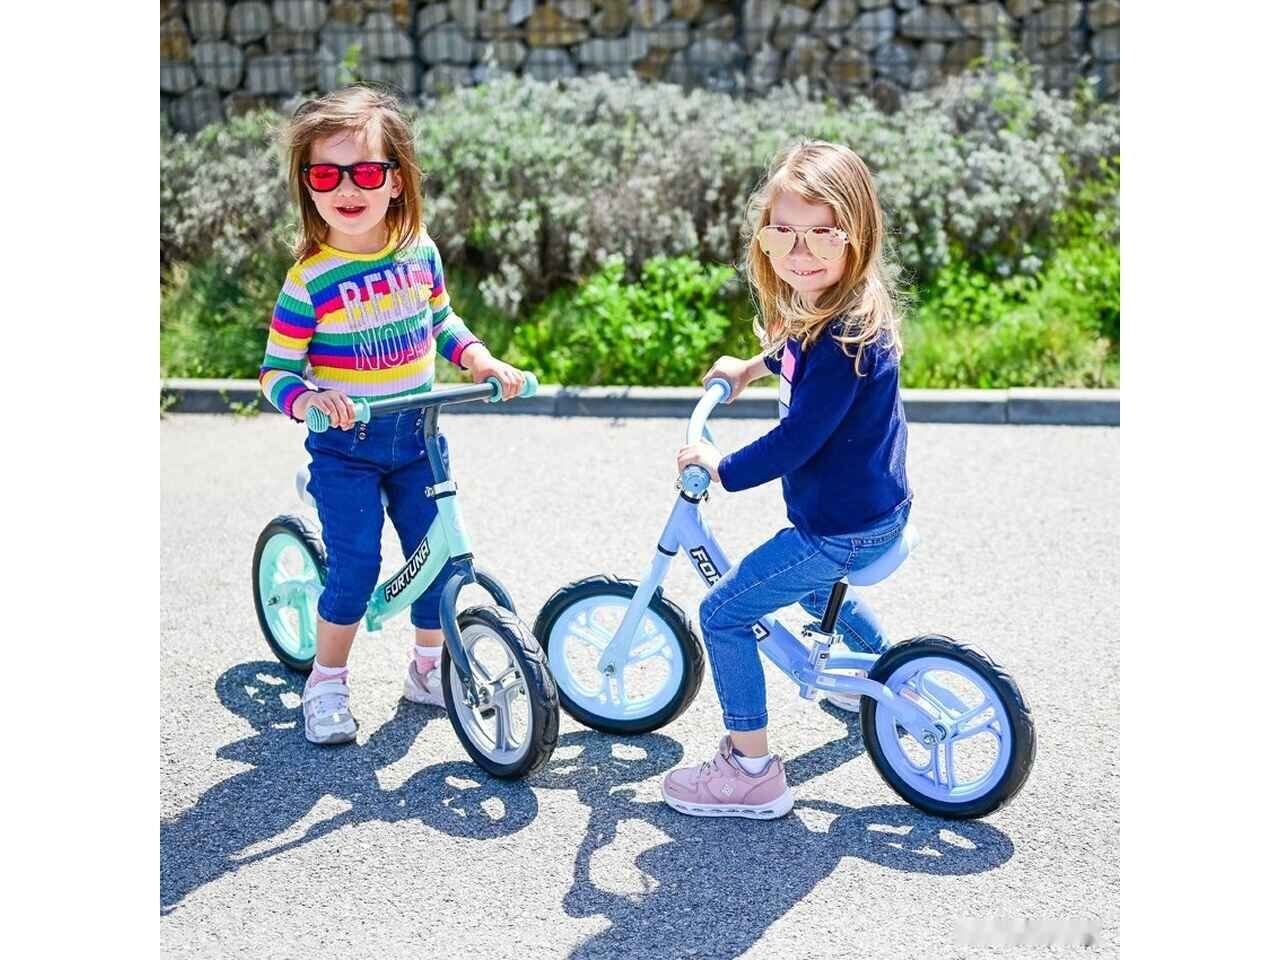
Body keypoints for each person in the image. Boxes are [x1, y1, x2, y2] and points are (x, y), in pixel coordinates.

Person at [258, 85, 526, 745]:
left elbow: (442, 322)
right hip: (345, 446)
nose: (347, 189)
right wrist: (309, 399)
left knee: (437, 556)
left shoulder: (419, 252)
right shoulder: (310, 280)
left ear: (397, 180)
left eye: (366, 173)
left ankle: (428, 667)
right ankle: (326, 680)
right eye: (326, 175)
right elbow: (275, 373)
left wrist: (480, 360)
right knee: (355, 567)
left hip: (418, 439)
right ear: (308, 185)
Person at [664, 141, 913, 819]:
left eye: (822, 235)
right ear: (765, 238)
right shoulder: (831, 309)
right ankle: (886, 673)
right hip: (870, 510)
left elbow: (799, 437)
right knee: (809, 589)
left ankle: (750, 771)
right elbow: (796, 360)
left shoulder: (842, 339)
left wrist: (720, 468)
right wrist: (751, 367)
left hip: (840, 528)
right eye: (784, 233)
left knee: (724, 613)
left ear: (857, 235)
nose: (801, 252)